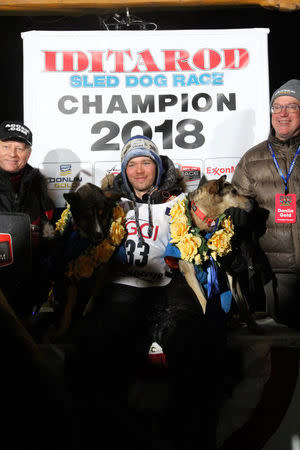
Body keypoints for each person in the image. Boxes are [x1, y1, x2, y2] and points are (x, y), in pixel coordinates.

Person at [70, 135, 226, 450]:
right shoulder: (108, 203)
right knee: (93, 348)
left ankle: (192, 436)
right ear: (123, 170)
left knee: (198, 343)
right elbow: (80, 242)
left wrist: (211, 229)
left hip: (167, 286)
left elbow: (205, 240)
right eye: (132, 164)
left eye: (146, 163)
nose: (139, 171)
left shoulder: (179, 202)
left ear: (156, 167)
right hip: (121, 287)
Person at [232, 79, 300, 328]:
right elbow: (236, 204)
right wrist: (237, 213)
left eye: (292, 106)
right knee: (286, 344)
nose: (282, 113)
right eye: (277, 107)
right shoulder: (252, 159)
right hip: (277, 271)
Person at [0, 120, 56, 321]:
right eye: (5, 146)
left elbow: (48, 238)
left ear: (29, 153)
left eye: (19, 148)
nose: (12, 154)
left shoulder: (39, 188)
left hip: (26, 289)